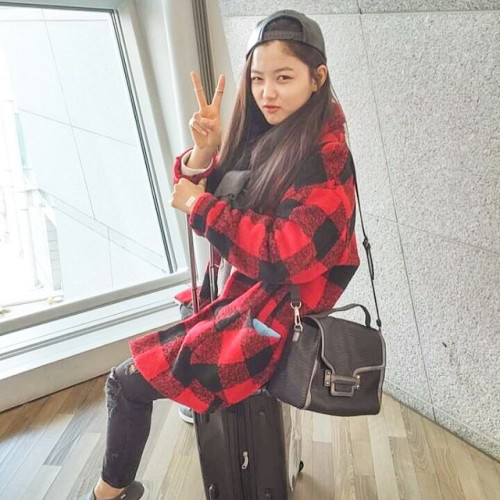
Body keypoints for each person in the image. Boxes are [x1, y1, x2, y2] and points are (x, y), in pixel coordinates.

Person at [79, 9, 360, 500]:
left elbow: (286, 253)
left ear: (318, 78)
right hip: (238, 297)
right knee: (137, 378)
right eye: (257, 79)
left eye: (284, 78)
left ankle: (107, 494)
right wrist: (204, 153)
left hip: (268, 315)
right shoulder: (270, 132)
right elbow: (210, 197)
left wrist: (201, 204)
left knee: (125, 383)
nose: (267, 93)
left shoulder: (326, 156)